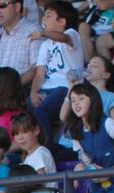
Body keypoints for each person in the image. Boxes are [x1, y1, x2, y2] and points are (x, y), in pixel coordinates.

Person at [29, 0, 83, 141]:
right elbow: (40, 74)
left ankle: (45, 151)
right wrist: (33, 92)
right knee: (22, 110)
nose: (43, 19)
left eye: (48, 15)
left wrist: (43, 34)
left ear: (62, 21)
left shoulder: (72, 34)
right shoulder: (45, 45)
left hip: (68, 87)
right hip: (47, 89)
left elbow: (64, 38)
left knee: (42, 111)